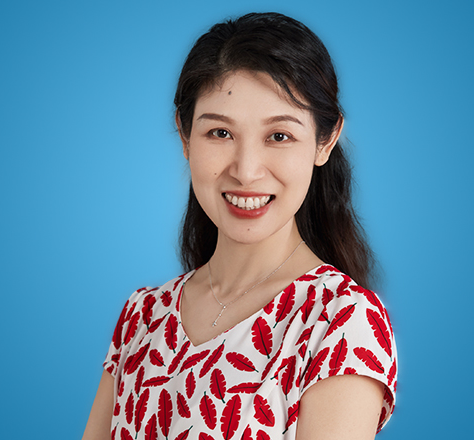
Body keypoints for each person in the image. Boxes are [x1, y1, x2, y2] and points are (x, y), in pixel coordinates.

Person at [83, 12, 397, 440]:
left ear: (325, 141)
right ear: (184, 137)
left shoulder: (341, 323)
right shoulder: (141, 317)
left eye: (279, 136)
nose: (246, 171)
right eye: (219, 133)